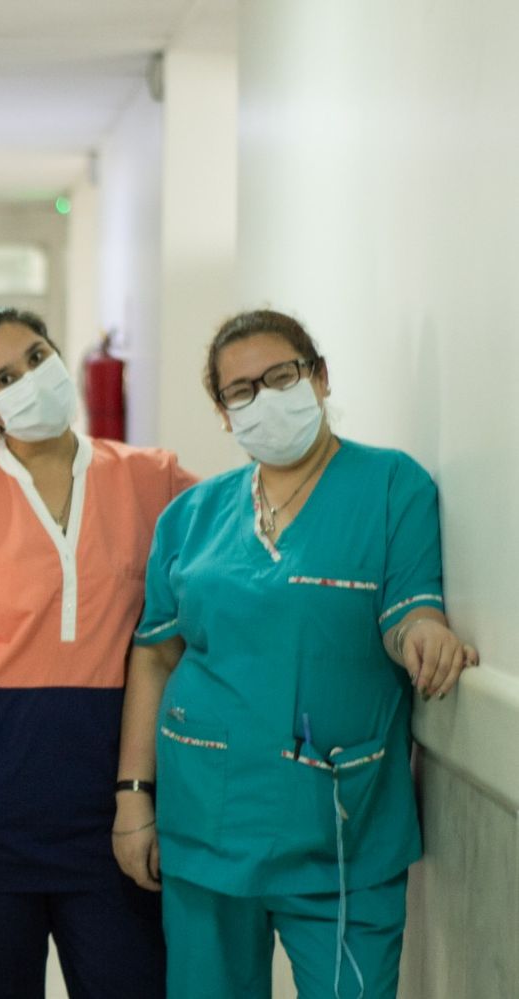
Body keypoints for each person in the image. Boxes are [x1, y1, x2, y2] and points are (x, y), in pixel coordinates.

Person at [114, 309, 480, 999]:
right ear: (224, 414)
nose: (263, 398)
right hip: (206, 824)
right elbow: (155, 658)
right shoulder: (192, 516)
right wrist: (133, 797)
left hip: (342, 830)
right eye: (240, 391)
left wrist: (426, 633)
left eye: (279, 376)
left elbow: (410, 611)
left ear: (318, 375)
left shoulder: (391, 486)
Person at [0, 307, 193, 998]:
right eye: (4, 375)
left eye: (36, 356)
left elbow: (242, 541)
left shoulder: (155, 480)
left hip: (116, 816)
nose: (30, 378)